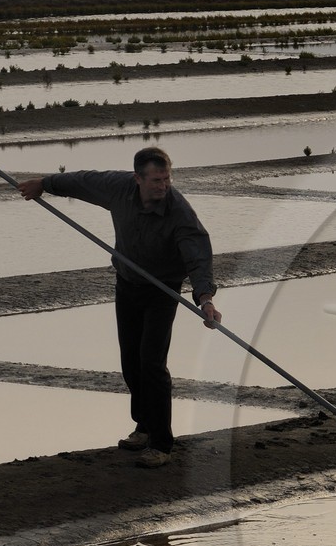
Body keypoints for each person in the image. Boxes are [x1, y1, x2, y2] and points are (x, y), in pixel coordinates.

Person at [17, 147, 222, 469]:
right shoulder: (118, 187)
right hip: (127, 284)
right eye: (156, 180)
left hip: (162, 290)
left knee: (152, 364)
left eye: (167, 178)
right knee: (131, 361)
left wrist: (205, 298)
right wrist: (45, 183)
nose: (163, 186)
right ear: (138, 178)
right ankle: (143, 425)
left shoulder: (179, 212)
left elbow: (198, 255)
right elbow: (82, 182)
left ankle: (161, 443)